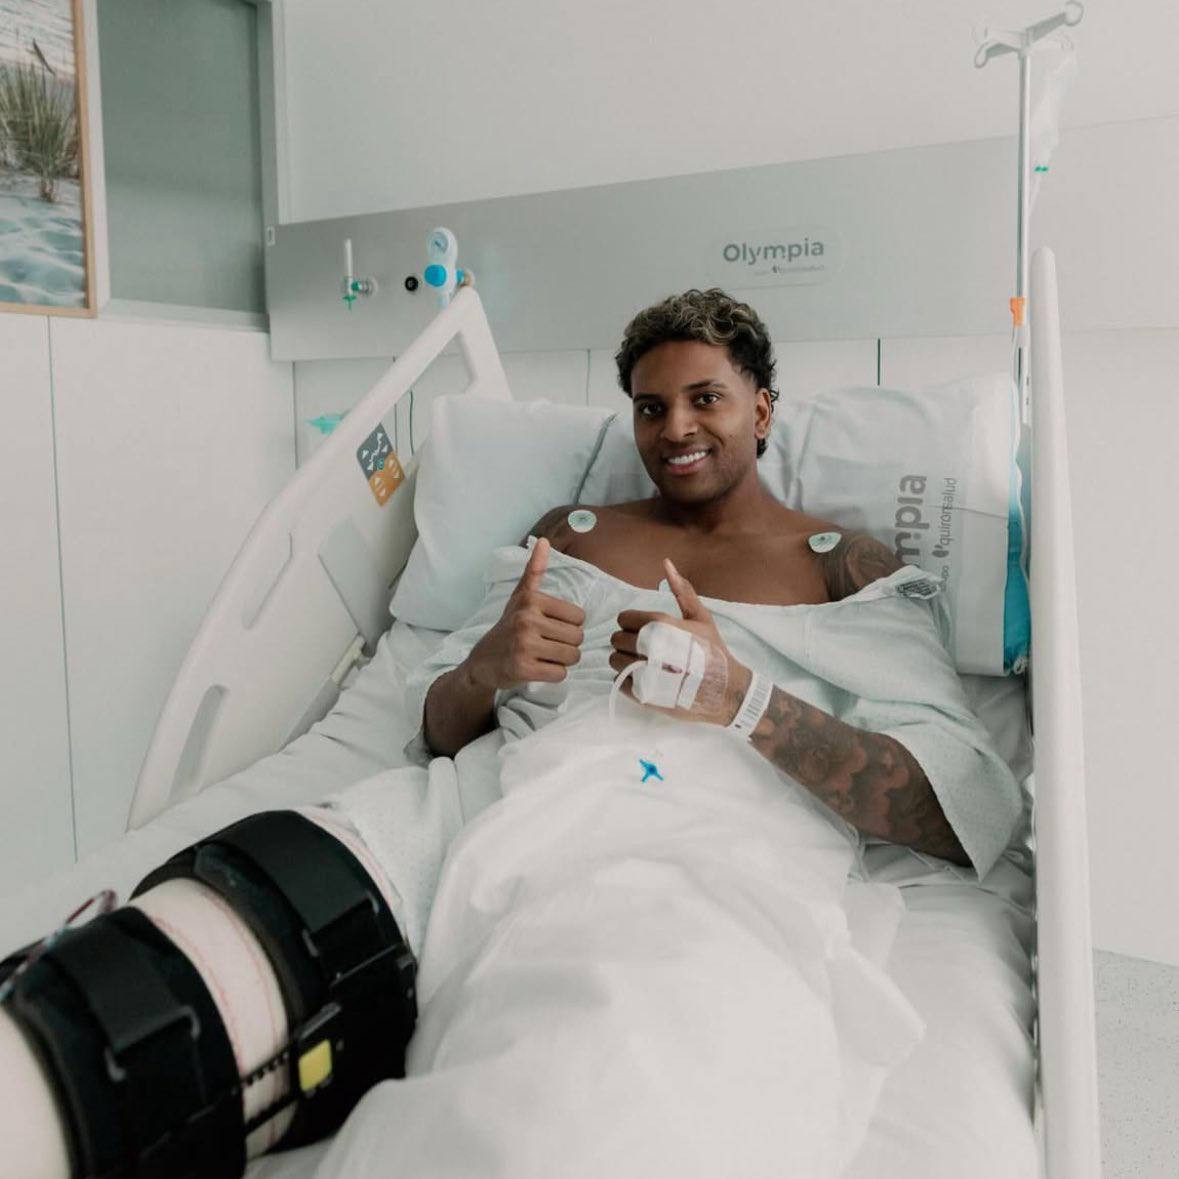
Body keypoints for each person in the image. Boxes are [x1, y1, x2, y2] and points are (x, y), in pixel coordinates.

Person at [0, 289, 1026, 1179]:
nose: (675, 428)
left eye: (705, 398)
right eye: (650, 407)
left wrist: (742, 699)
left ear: (761, 408)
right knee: (144, 988)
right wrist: (487, 668)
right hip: (477, 810)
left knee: (574, 1089)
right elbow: (440, 730)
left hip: (700, 846)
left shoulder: (844, 565)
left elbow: (960, 807)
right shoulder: (573, 532)